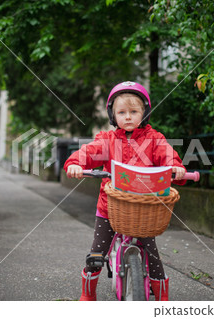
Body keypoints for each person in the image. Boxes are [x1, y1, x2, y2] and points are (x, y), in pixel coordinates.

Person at [64, 81, 186, 301]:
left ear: (144, 113)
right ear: (113, 116)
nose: (127, 117)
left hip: (144, 207)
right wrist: (75, 163)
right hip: (110, 207)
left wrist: (175, 168)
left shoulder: (154, 139)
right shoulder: (107, 140)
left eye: (133, 111)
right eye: (121, 112)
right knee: (97, 253)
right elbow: (89, 152)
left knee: (153, 255)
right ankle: (88, 293)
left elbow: (168, 155)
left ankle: (162, 298)